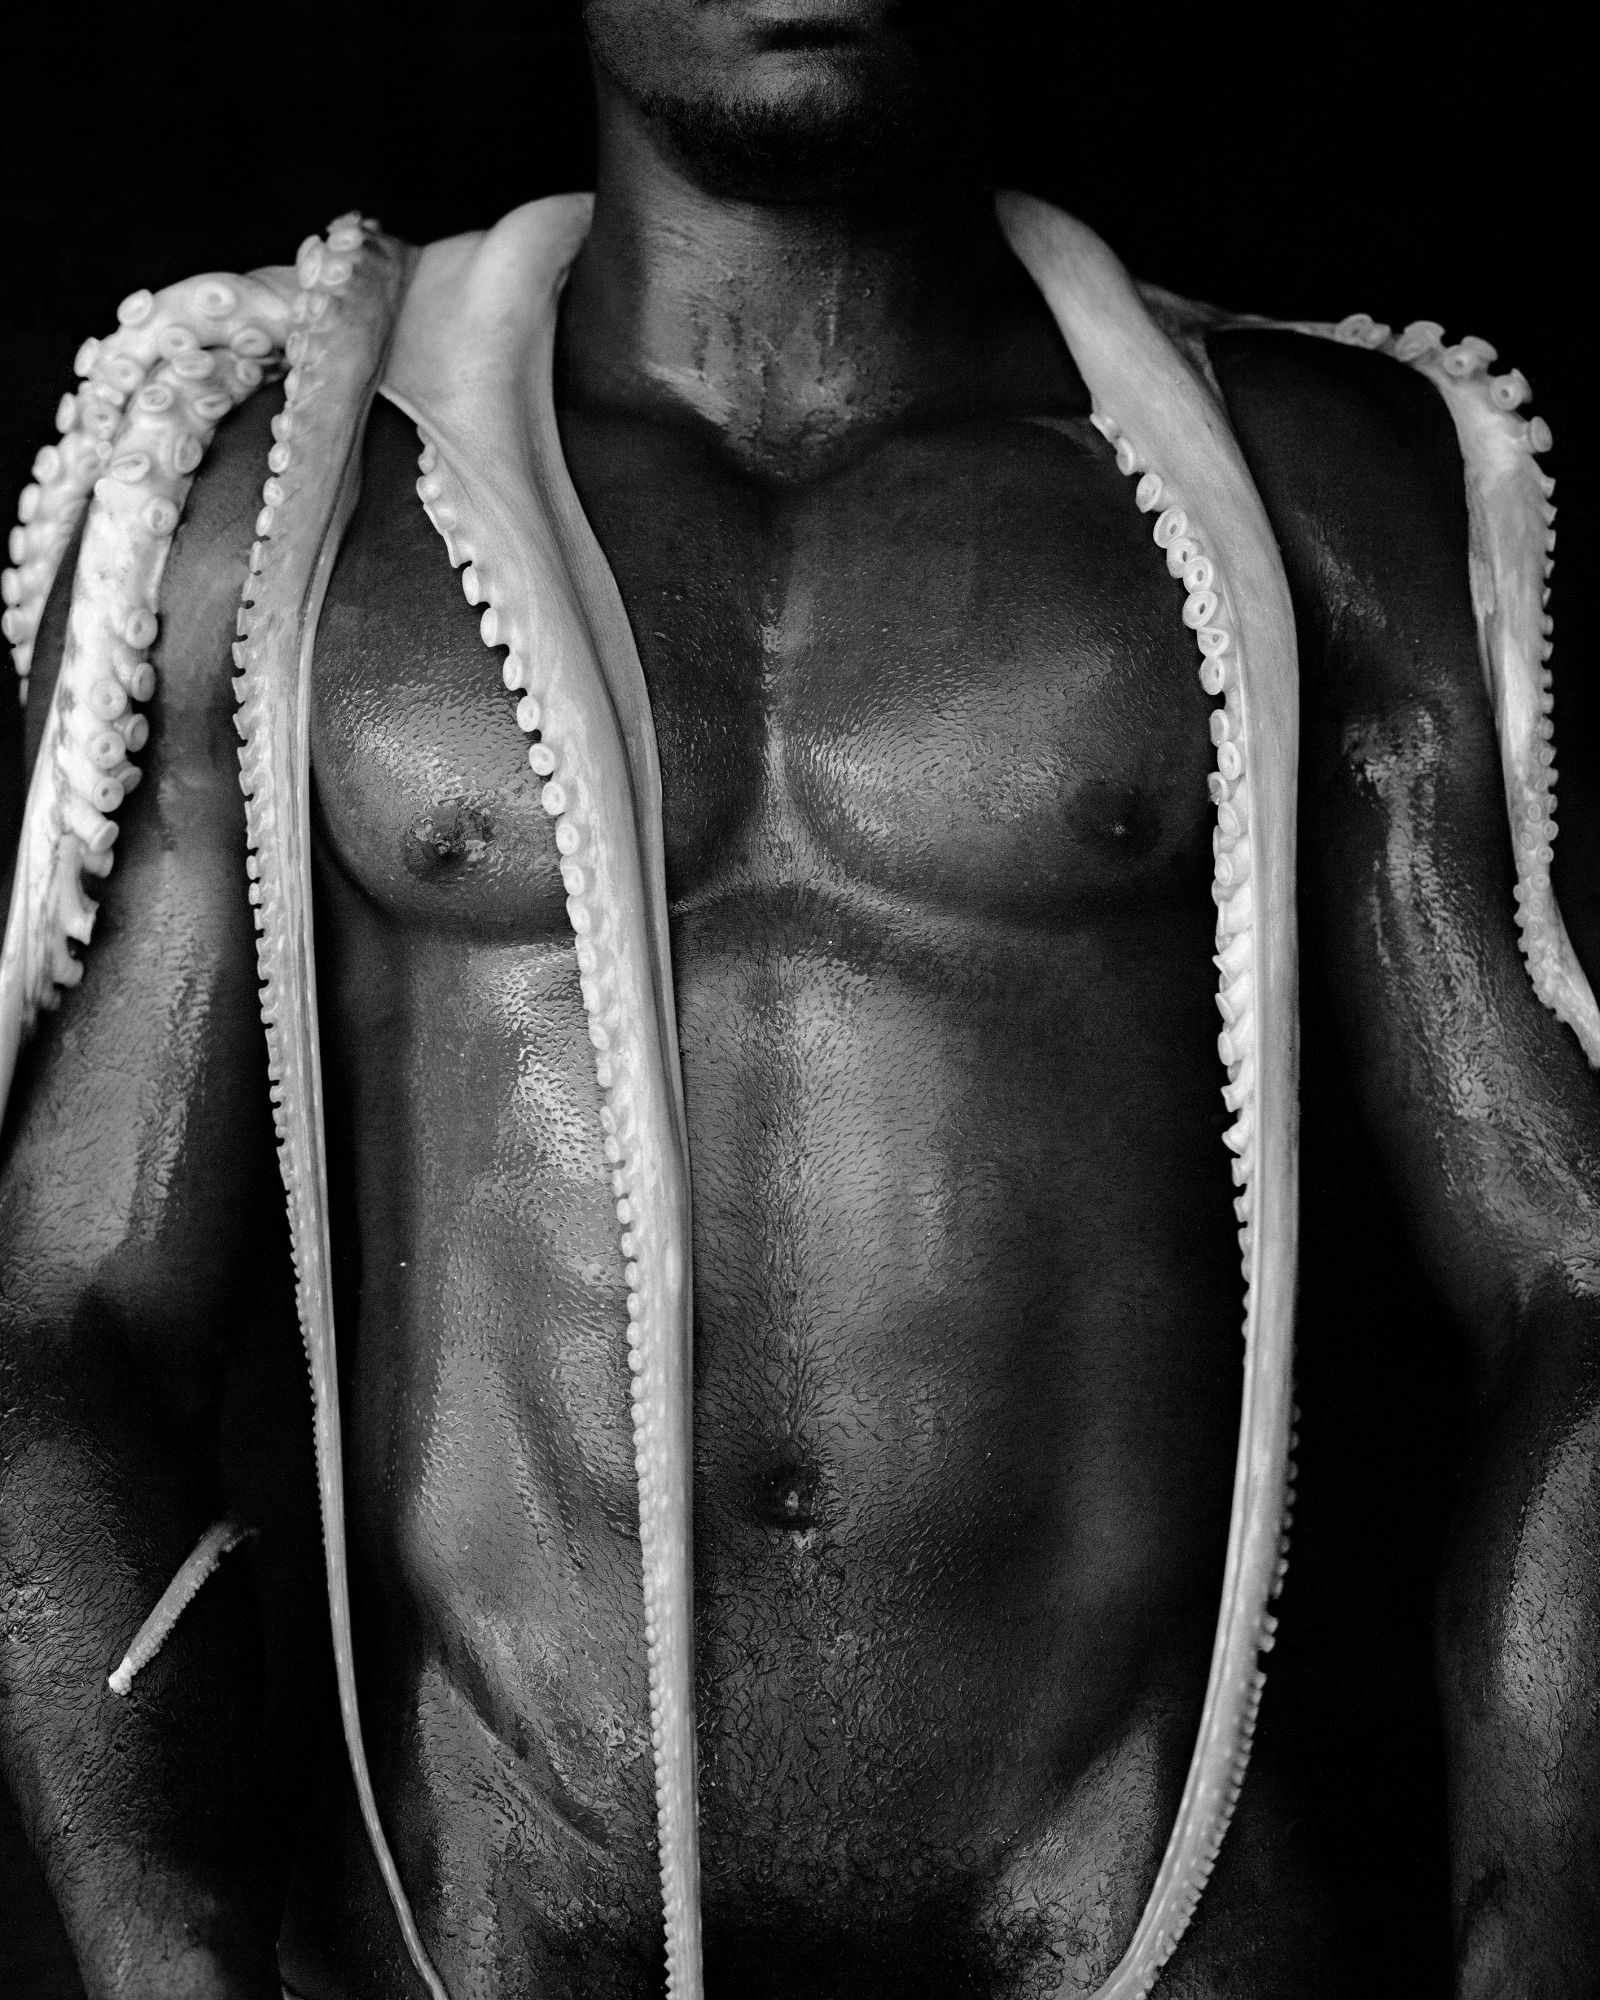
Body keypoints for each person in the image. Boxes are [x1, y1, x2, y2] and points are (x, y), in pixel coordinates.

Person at [1, 5, 1597, 1996]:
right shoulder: (277, 511)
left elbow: (1570, 1266)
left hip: (1163, 1917)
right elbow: (64, 1309)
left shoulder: (1318, 492)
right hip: (478, 1927)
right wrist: (164, 1954)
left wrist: (1530, 1948)